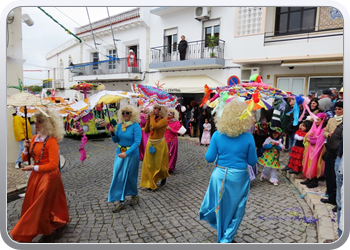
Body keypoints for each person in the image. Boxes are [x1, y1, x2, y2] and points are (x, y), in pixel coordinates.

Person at [199, 97, 257, 243]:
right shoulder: (248, 137)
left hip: (219, 174)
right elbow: (252, 162)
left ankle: (223, 233)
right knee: (237, 208)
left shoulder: (217, 135)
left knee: (219, 205)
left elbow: (209, 158)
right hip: (238, 177)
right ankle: (227, 237)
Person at [10, 108, 69, 243]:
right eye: (35, 121)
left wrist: (34, 167)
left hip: (49, 178)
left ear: (47, 124)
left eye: (39, 122)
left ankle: (48, 234)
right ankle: (54, 224)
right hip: (36, 177)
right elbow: (26, 157)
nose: (35, 124)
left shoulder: (51, 141)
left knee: (40, 206)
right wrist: (26, 148)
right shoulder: (35, 138)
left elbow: (54, 165)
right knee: (37, 204)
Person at [107, 105, 142, 213]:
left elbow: (137, 142)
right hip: (120, 154)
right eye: (123, 113)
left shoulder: (136, 126)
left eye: (127, 112)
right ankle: (120, 200)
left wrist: (126, 153)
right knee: (118, 176)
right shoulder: (120, 125)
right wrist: (112, 133)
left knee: (130, 177)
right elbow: (116, 140)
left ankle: (134, 194)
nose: (125, 115)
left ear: (132, 114)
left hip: (131, 155)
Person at [140, 103, 170, 191]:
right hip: (151, 143)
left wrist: (151, 117)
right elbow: (146, 130)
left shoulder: (164, 120)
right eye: (154, 108)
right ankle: (151, 183)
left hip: (159, 144)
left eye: (156, 108)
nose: (154, 110)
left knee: (159, 164)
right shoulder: (153, 119)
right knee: (149, 165)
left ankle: (163, 176)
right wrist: (148, 120)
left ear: (161, 111)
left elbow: (155, 126)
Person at [320, 102, 343, 206]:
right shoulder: (331, 119)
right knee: (329, 174)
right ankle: (330, 196)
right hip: (329, 149)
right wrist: (328, 134)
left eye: (340, 109)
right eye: (336, 109)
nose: (337, 111)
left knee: (336, 176)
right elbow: (324, 131)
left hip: (338, 151)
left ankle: (336, 199)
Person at [300, 113, 327, 188]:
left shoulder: (323, 129)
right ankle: (309, 177)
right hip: (311, 148)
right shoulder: (314, 127)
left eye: (318, 120)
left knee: (315, 164)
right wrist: (310, 137)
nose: (316, 121)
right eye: (315, 119)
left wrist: (311, 140)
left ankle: (314, 180)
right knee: (309, 162)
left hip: (318, 149)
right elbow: (308, 135)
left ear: (323, 120)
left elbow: (320, 140)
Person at [165, 108, 182, 173]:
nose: (169, 115)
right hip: (165, 140)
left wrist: (171, 129)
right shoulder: (165, 121)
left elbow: (178, 132)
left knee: (172, 154)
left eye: (170, 114)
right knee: (165, 154)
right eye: (168, 113)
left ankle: (170, 167)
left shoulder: (176, 122)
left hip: (173, 141)